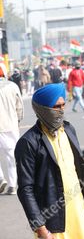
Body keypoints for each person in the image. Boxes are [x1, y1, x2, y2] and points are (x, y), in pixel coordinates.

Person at [15, 83, 84, 238]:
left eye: (63, 105)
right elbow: (25, 188)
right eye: (56, 107)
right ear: (42, 109)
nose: (61, 110)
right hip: (54, 220)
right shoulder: (29, 142)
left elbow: (80, 173)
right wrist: (39, 226)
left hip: (81, 212)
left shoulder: (69, 130)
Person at [0, 63, 23, 195]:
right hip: (11, 126)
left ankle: (1, 179)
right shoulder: (13, 86)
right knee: (12, 156)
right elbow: (19, 107)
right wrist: (18, 120)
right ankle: (13, 185)